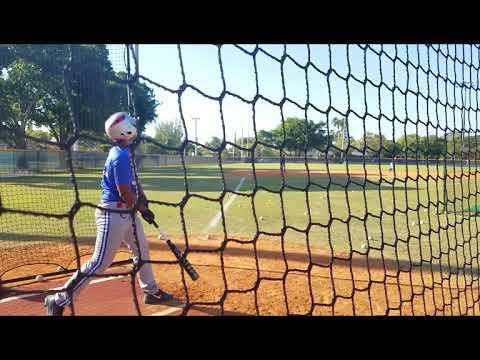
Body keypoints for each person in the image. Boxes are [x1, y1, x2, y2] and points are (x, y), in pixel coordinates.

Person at [44, 112, 172, 316]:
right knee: (100, 262)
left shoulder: (126, 153)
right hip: (112, 214)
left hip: (128, 214)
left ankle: (151, 291)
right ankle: (58, 300)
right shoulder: (120, 156)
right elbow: (124, 191)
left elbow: (134, 183)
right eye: (130, 122)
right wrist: (142, 209)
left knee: (142, 252)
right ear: (124, 129)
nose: (134, 124)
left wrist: (144, 202)